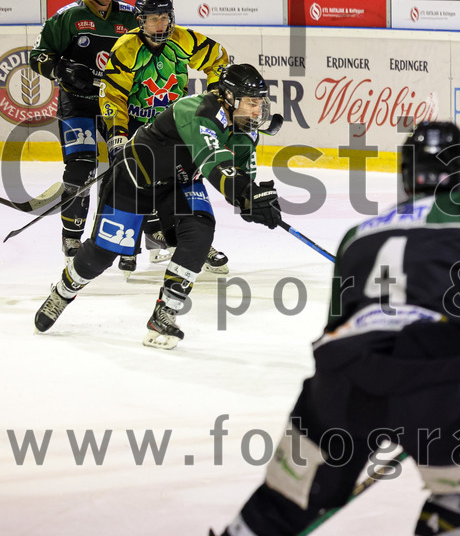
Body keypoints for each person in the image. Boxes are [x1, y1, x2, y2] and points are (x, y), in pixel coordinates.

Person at [210, 121, 460, 536]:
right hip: (429, 376)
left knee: (282, 502)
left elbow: (336, 325)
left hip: (337, 379)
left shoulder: (358, 234)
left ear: (406, 175)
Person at [34, 63, 283, 350]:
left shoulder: (246, 133)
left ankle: (165, 313)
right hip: (135, 178)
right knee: (102, 254)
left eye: (260, 104)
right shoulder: (198, 110)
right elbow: (213, 158)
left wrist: (254, 200)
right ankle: (63, 292)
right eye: (252, 103)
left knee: (200, 232)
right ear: (229, 97)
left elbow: (239, 178)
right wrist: (245, 192)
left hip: (179, 183)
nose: (257, 111)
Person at [100, 0, 232, 274]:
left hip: (176, 125)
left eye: (164, 17)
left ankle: (196, 243)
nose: (160, 24)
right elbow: (112, 96)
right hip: (138, 127)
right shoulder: (126, 48)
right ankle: (128, 245)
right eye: (153, 19)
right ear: (140, 20)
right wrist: (117, 134)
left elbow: (219, 60)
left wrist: (213, 99)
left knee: (187, 181)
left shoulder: (184, 39)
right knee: (135, 185)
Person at [28, 0, 138, 260]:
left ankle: (130, 233)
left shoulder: (130, 17)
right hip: (77, 102)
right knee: (80, 167)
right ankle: (72, 236)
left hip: (115, 102)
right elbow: (38, 56)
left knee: (128, 166)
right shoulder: (69, 16)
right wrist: (60, 68)